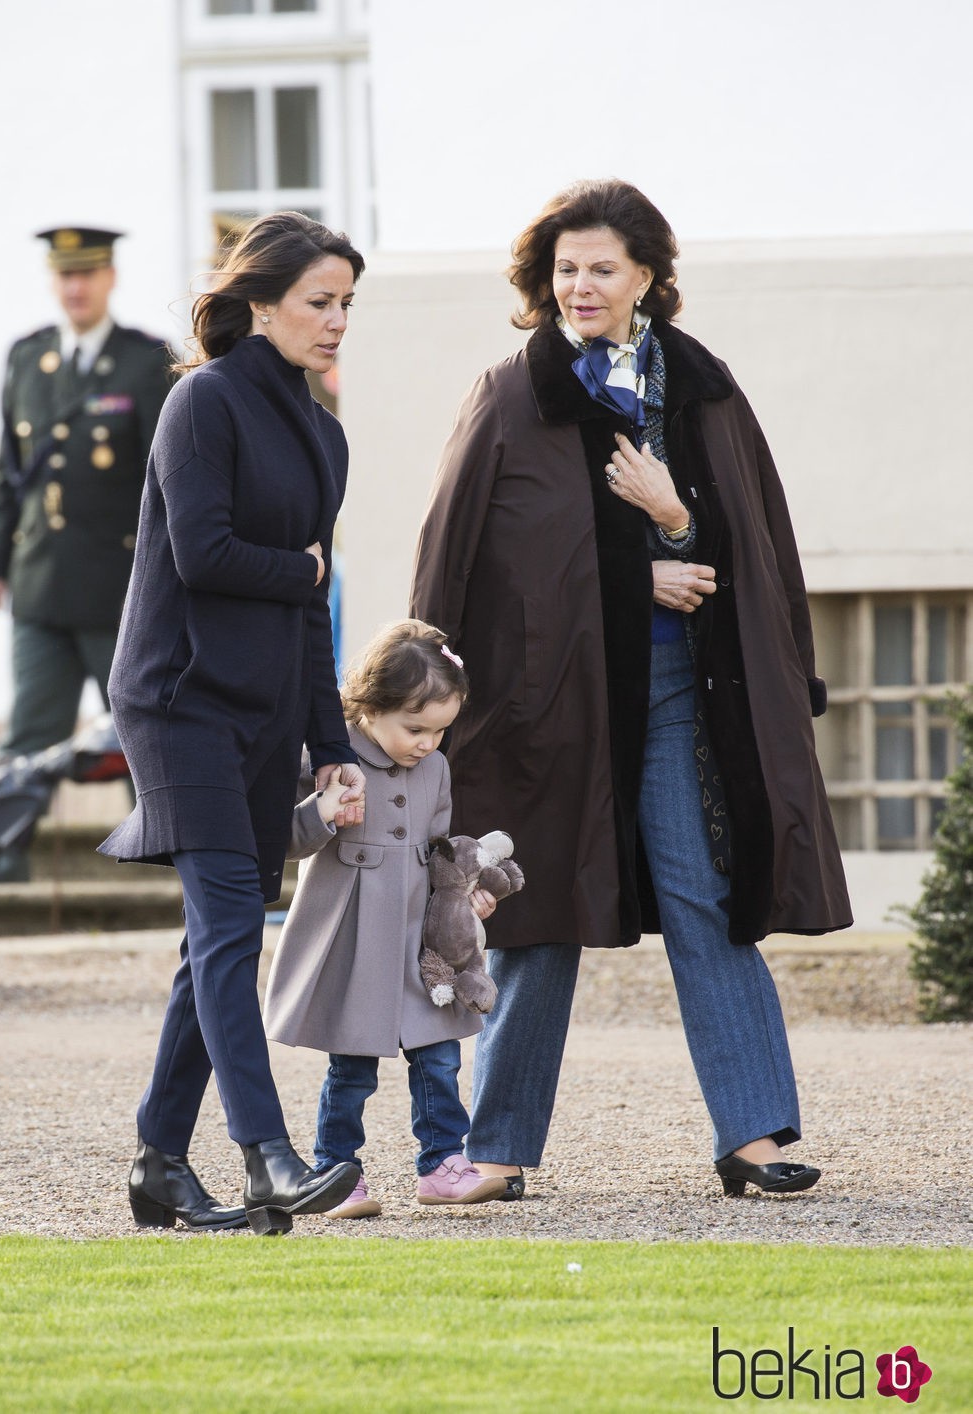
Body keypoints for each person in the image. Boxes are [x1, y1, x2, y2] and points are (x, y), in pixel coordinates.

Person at [410, 178, 853, 1203]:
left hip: (673, 698)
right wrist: (425, 697)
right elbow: (470, 557)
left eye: (601, 267)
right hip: (545, 703)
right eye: (564, 269)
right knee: (538, 915)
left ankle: (750, 1138)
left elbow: (751, 547)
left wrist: (672, 518)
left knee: (707, 901)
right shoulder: (508, 392)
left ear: (646, 275)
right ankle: (500, 1149)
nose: (580, 285)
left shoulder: (701, 388)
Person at [98, 211, 368, 1236]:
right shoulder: (199, 403)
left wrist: (332, 751)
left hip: (260, 714)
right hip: (177, 699)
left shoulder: (323, 436)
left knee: (209, 944)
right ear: (260, 303)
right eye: (319, 300)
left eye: (347, 303)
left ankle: (160, 1164)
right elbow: (204, 555)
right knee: (226, 934)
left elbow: (308, 610)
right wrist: (301, 570)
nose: (338, 319)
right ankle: (266, 1156)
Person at [263, 620, 510, 1217]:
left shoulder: (436, 770)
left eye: (440, 731)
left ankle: (443, 1164)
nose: (427, 743)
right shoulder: (331, 758)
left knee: (440, 1054)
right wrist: (323, 811)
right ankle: (337, 1170)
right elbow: (283, 840)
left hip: (419, 941)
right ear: (369, 708)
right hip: (352, 936)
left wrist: (467, 896)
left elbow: (441, 853)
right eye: (415, 728)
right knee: (351, 1064)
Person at [0, 226, 174, 881]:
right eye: (65, 274)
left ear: (109, 278)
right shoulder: (27, 358)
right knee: (29, 736)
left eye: (88, 273)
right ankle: (4, 858)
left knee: (139, 729)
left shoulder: (145, 360)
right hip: (38, 583)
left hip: (120, 589)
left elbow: (168, 477)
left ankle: (161, 857)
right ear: (53, 280)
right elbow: (9, 472)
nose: (76, 286)